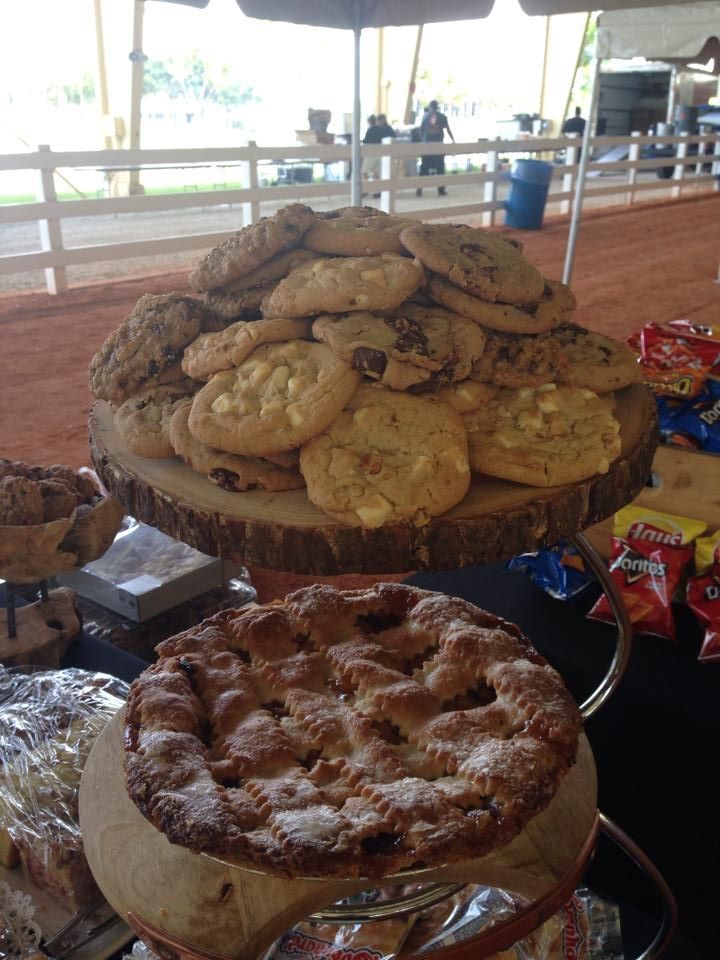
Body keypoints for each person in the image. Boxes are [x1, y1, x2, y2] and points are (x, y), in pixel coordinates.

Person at [418, 100, 455, 196]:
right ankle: (441, 190)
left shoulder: (425, 117)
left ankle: (419, 189)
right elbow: (448, 129)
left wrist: (422, 142)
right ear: (437, 107)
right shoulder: (442, 117)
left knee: (424, 168)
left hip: (427, 146)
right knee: (440, 168)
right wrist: (453, 140)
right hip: (438, 146)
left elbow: (421, 131)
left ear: (430, 107)